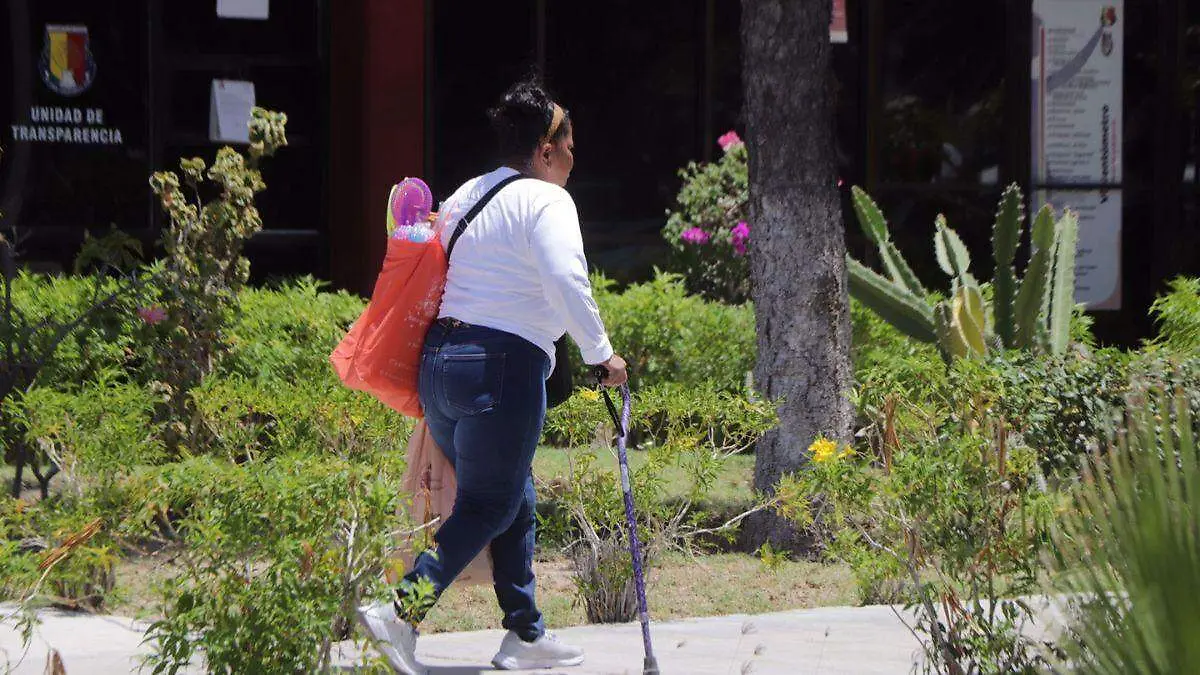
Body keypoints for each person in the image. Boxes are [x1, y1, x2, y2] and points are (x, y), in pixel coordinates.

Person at [356, 76, 628, 674]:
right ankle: (398, 613)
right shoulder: (547, 199)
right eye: (570, 146)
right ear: (546, 148)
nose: (574, 159)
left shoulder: (463, 196)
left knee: (513, 494)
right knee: (488, 502)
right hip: (499, 370)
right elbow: (566, 278)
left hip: (441, 367)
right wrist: (600, 353)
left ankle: (525, 634)